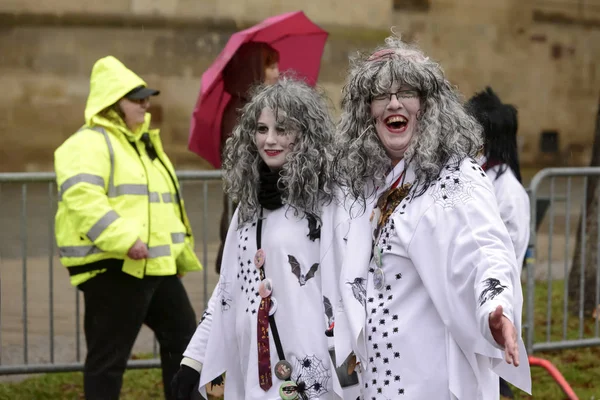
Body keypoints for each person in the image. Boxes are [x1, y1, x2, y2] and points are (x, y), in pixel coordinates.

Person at [330, 36, 532, 399]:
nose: (394, 102)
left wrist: (494, 307)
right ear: (367, 111)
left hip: (431, 382)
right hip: (375, 386)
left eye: (407, 92)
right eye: (381, 94)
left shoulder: (455, 176)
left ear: (427, 106)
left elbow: (486, 248)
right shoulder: (366, 186)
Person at [170, 77, 359, 399]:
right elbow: (231, 285)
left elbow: (350, 289)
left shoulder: (331, 200)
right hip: (258, 368)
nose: (269, 140)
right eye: (261, 129)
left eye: (282, 129)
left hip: (315, 367)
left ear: (306, 134)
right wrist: (193, 360)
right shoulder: (250, 205)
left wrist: (351, 373)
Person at [54, 56, 203, 400]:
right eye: (136, 99)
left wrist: (177, 258)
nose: (145, 104)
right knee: (108, 360)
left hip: (154, 266)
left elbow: (166, 206)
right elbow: (83, 199)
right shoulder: (88, 144)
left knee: (185, 343)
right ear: (112, 103)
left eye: (146, 98)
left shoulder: (144, 144)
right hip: (114, 266)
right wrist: (125, 240)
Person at [467, 87, 531, 399]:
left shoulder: (507, 190)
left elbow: (503, 253)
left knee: (493, 382)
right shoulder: (478, 177)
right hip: (471, 306)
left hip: (494, 302)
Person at [216, 42, 281, 274]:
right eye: (270, 67)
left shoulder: (259, 106)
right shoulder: (239, 111)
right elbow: (239, 162)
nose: (277, 73)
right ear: (254, 70)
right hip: (247, 208)